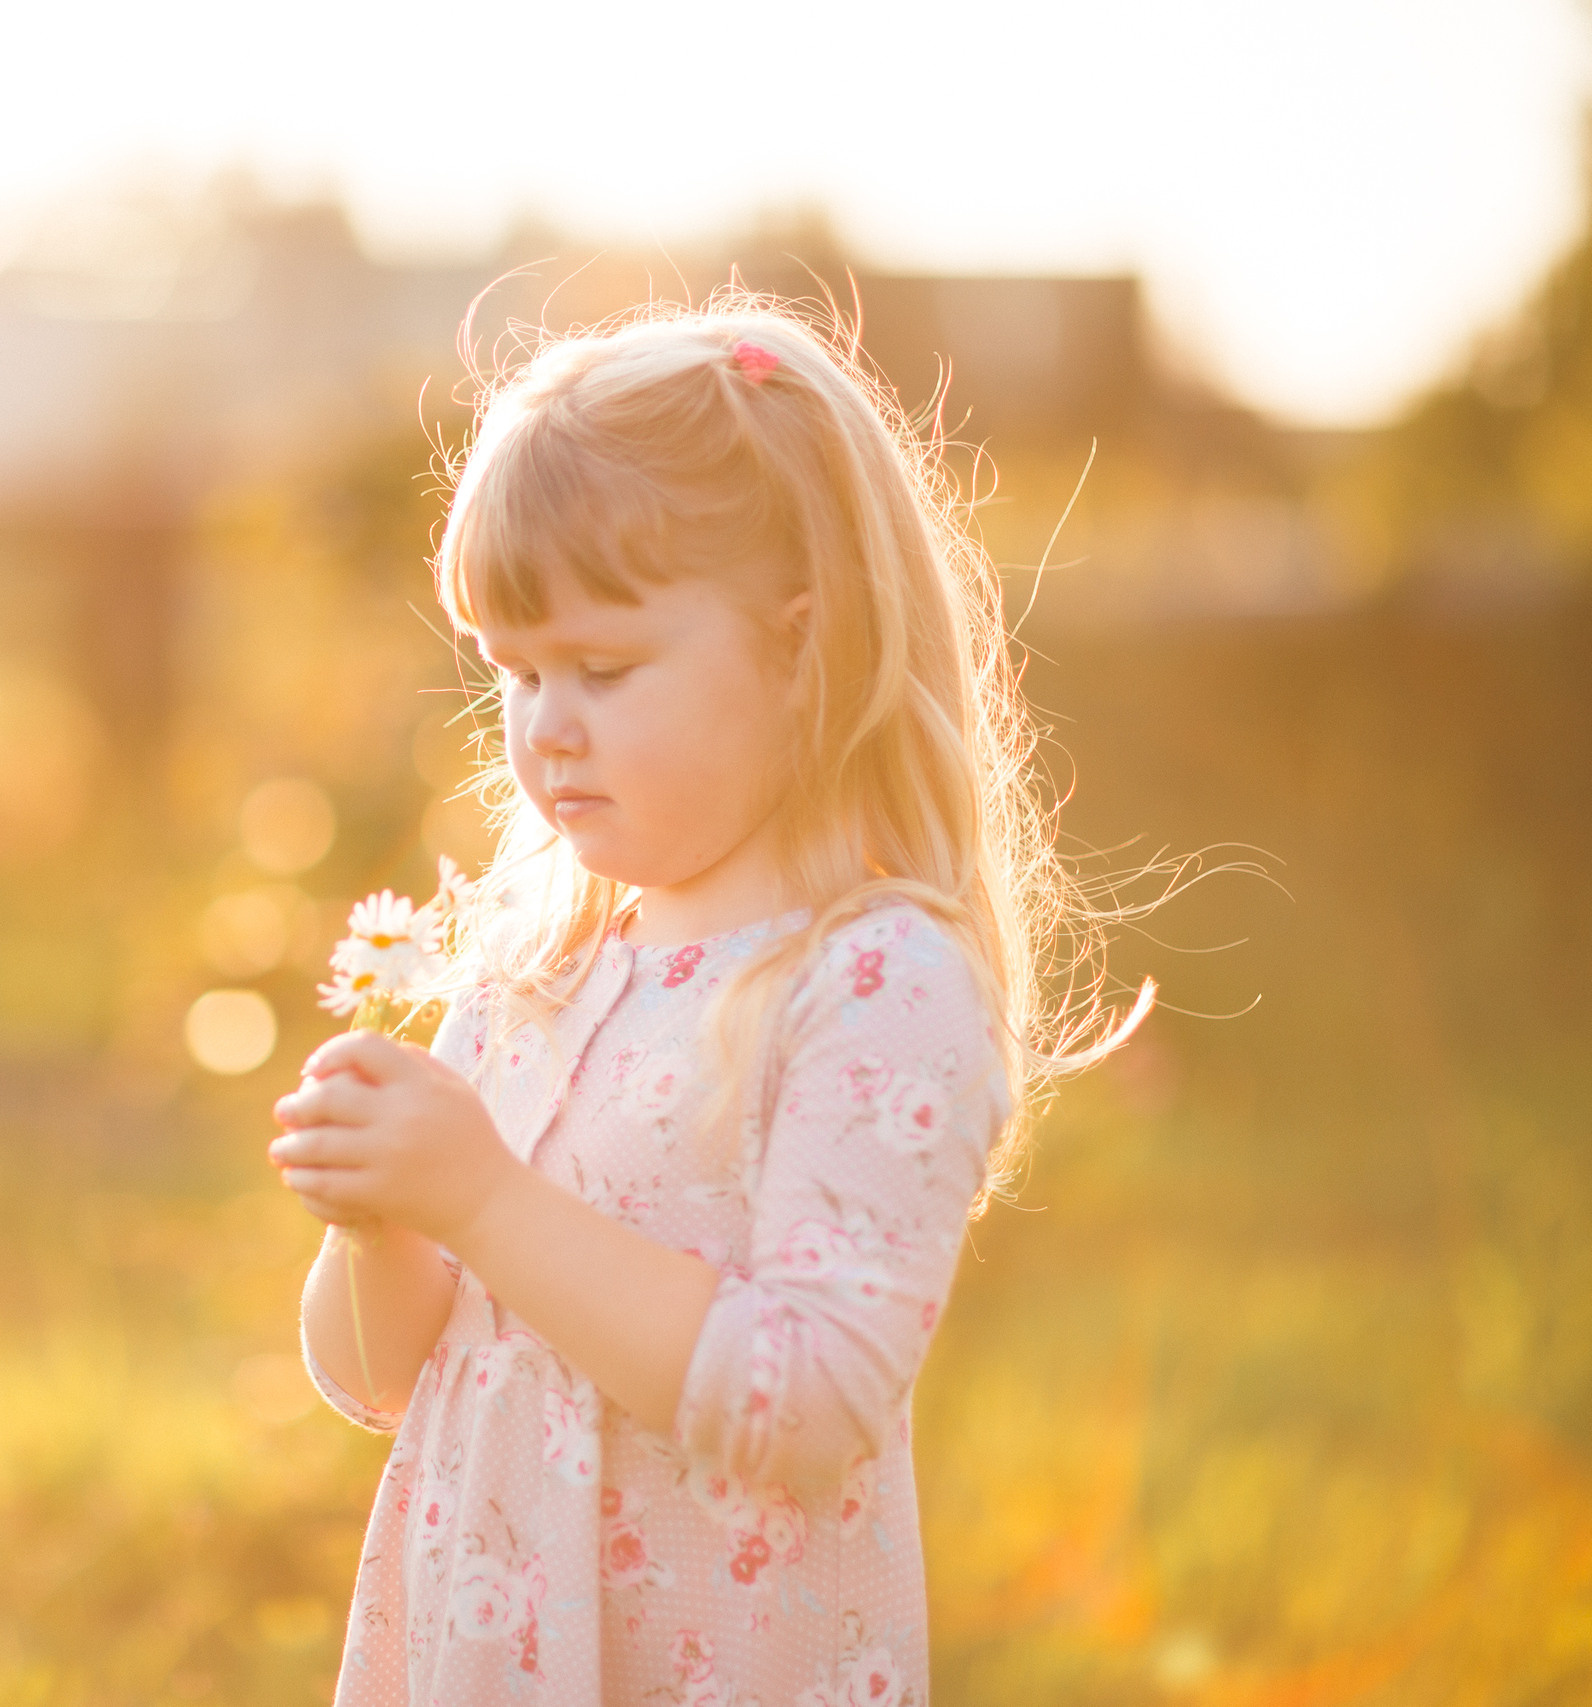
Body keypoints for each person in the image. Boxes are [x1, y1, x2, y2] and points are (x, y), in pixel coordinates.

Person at [267, 302, 1145, 1706]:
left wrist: (483, 1200)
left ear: (805, 648)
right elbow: (378, 1382)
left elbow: (809, 1400)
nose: (546, 723)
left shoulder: (870, 980)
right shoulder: (537, 960)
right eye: (517, 672)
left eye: (603, 669)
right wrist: (383, 1221)